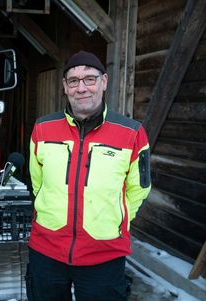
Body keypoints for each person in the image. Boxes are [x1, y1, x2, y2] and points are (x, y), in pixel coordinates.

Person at [26, 51, 151, 301]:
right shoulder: (42, 128)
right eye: (73, 81)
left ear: (104, 82)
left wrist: (117, 220)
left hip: (103, 255)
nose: (81, 88)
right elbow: (36, 183)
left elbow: (139, 188)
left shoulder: (132, 133)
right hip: (46, 252)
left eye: (89, 79)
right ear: (65, 87)